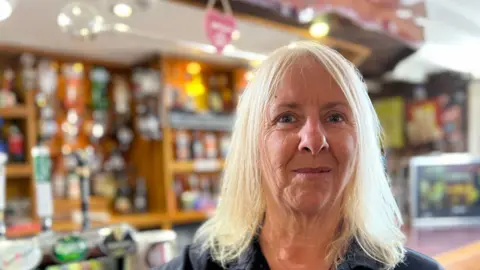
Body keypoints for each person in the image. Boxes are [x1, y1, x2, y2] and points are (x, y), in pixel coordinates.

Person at [160, 41, 443, 270]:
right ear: (253, 144)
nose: (313, 140)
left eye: (334, 117)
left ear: (360, 143)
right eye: (286, 118)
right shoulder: (198, 265)